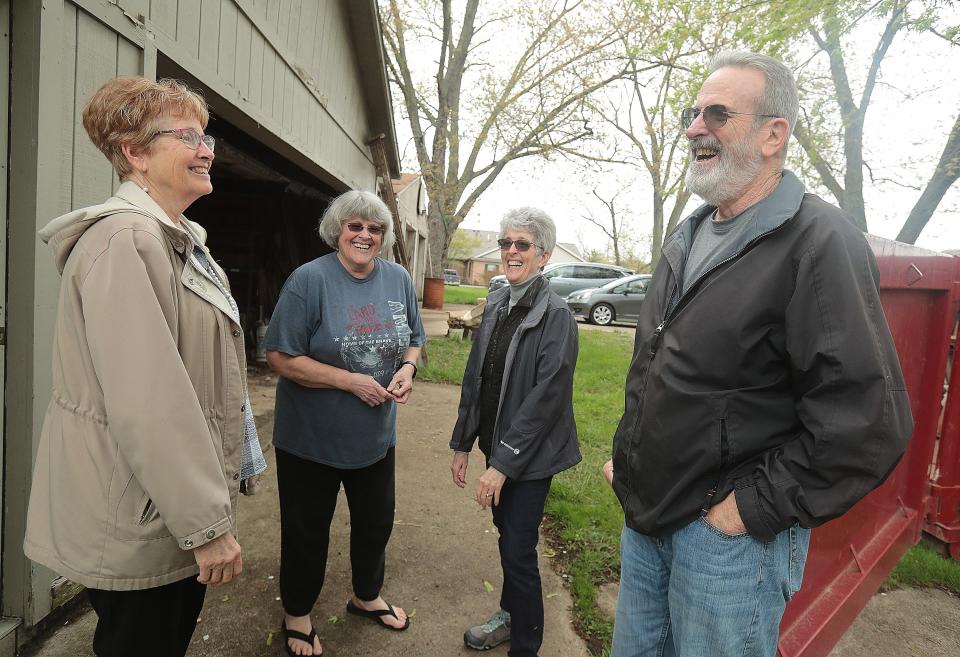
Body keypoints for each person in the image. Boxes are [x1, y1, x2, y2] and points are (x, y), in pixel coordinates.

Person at [603, 51, 914, 657]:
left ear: (774, 134)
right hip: (647, 518)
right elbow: (658, 369)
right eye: (693, 113)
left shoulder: (819, 242)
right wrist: (630, 458)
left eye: (717, 114)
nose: (695, 127)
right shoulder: (686, 235)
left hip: (727, 543)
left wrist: (748, 509)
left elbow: (868, 422)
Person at [23, 77, 266, 657]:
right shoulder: (128, 240)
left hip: (162, 507)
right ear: (134, 153)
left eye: (206, 135)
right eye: (187, 135)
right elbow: (150, 402)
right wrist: (207, 527)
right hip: (146, 511)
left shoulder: (175, 238)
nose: (206, 148)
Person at [264, 190, 425, 657]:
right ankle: (297, 613)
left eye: (374, 229)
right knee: (306, 533)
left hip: (375, 438)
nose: (365, 235)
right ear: (338, 230)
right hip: (310, 441)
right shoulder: (308, 281)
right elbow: (280, 355)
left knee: (375, 525)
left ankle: (365, 596)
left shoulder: (397, 278)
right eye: (355, 226)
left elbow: (414, 338)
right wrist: (348, 381)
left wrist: (408, 368)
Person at [450, 208, 581, 657]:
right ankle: (511, 615)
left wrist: (501, 466)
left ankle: (525, 645)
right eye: (506, 243)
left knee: (519, 553)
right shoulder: (500, 302)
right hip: (498, 448)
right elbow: (477, 377)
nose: (510, 251)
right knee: (509, 542)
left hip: (530, 457)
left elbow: (546, 399)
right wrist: (463, 442)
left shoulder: (557, 316)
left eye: (521, 245)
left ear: (543, 255)